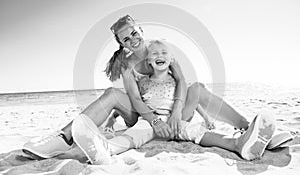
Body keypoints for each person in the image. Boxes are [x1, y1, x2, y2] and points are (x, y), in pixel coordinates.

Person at [22, 15, 251, 159]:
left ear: (140, 29)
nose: (133, 39)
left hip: (174, 112)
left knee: (199, 87)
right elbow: (134, 97)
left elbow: (182, 81)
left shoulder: (161, 50)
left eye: (134, 33)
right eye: (126, 39)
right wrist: (154, 121)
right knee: (112, 93)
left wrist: (177, 112)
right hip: (141, 115)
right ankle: (63, 138)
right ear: (122, 45)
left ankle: (246, 127)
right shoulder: (126, 64)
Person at [71, 40, 276, 164]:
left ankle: (240, 142)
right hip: (150, 121)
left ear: (171, 60)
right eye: (154, 54)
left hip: (175, 122)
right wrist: (111, 121)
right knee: (132, 136)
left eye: (164, 53)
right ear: (149, 62)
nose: (159, 56)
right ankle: (105, 149)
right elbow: (133, 103)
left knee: (199, 133)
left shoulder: (176, 79)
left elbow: (193, 100)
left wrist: (203, 117)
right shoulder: (143, 81)